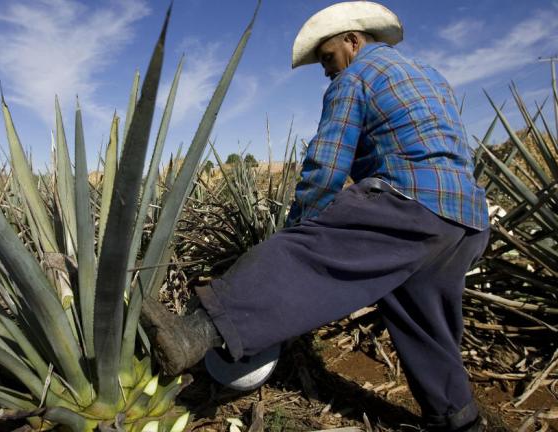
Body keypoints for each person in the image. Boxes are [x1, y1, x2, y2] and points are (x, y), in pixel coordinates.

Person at [141, 2, 489, 431]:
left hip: (409, 204)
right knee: (424, 320)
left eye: (327, 58)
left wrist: (297, 231)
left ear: (353, 41)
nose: (327, 70)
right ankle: (458, 419)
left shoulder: (355, 77)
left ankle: (195, 332)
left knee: (299, 255)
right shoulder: (431, 77)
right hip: (465, 220)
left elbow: (326, 167)